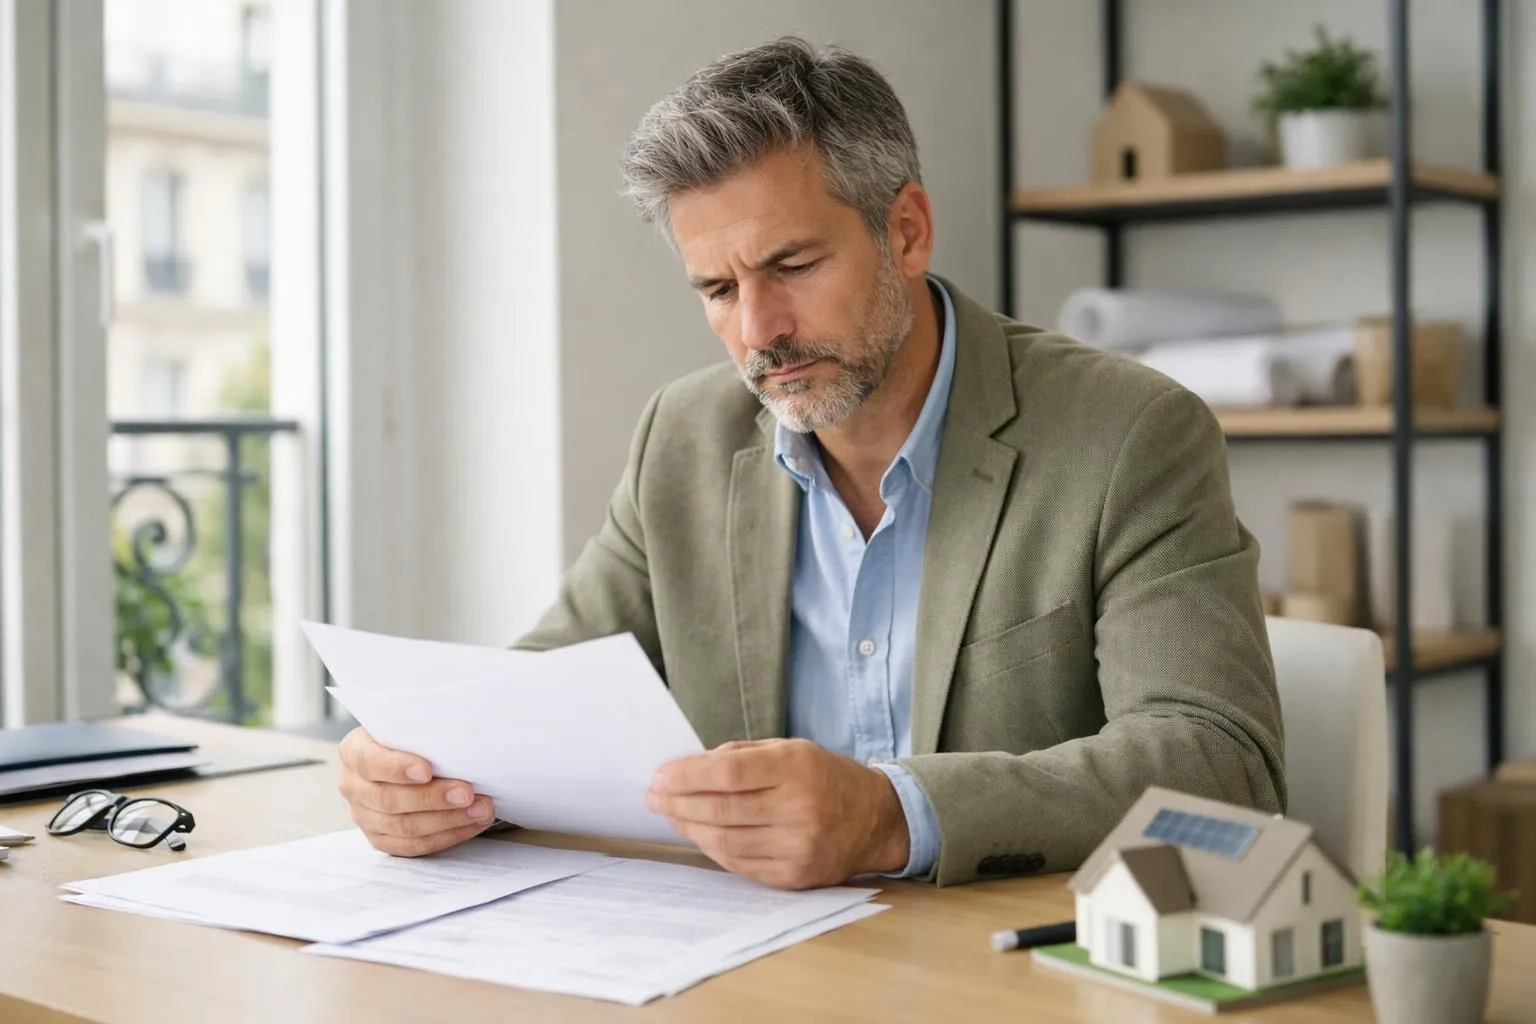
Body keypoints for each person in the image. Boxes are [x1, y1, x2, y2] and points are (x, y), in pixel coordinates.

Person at [336, 36, 1286, 889]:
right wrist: (423, 771)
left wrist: (890, 816)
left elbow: (1220, 760)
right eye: (718, 288)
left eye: (792, 267)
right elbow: (540, 693)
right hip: (753, 964)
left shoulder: (1130, 434)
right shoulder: (683, 438)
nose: (759, 332)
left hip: (1002, 970)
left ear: (906, 231)